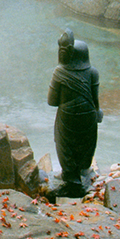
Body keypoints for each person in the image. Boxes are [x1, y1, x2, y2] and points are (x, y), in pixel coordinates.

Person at [48, 28, 103, 198]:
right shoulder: (93, 73)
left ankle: (70, 177)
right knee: (85, 143)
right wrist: (97, 112)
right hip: (88, 116)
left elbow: (52, 101)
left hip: (67, 117)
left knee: (65, 144)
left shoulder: (59, 72)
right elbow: (95, 100)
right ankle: (83, 173)